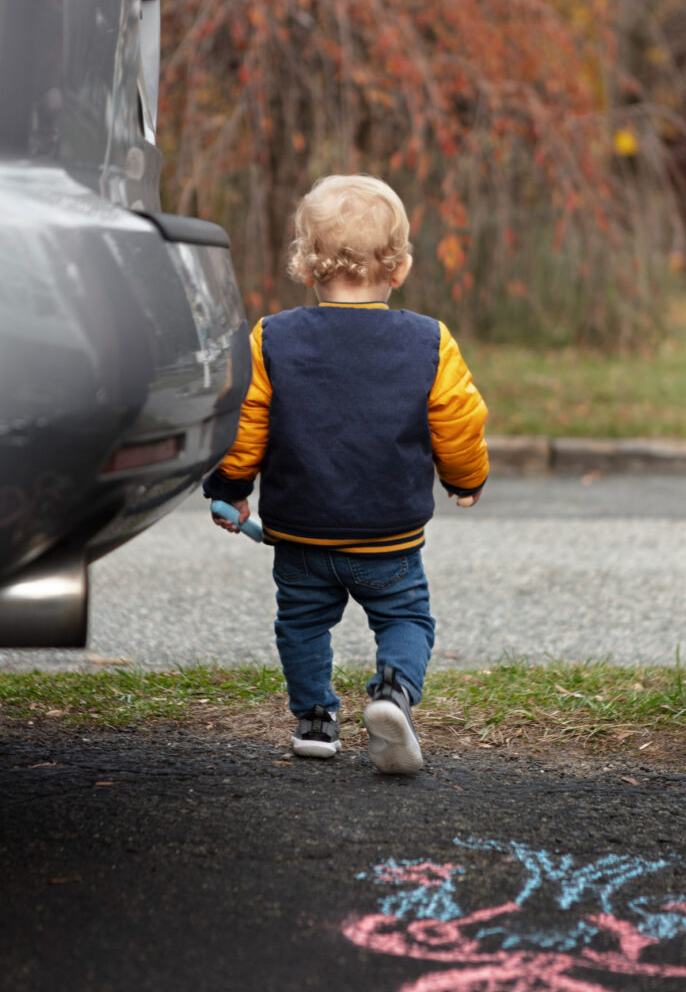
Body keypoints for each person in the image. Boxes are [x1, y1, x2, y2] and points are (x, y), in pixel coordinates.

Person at [204, 174, 489, 774]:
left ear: (306, 266)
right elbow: (458, 421)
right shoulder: (429, 341)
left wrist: (230, 489)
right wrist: (465, 481)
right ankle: (392, 695)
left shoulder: (271, 337)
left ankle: (314, 721)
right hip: (389, 534)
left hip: (302, 532)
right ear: (400, 267)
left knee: (302, 623)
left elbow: (246, 422)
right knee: (406, 617)